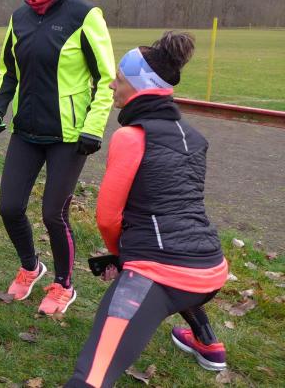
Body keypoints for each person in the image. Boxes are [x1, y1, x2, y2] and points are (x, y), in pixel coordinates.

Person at [66, 32, 228, 387]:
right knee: (176, 266)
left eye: (119, 80)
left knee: (91, 376)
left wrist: (122, 258)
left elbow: (107, 218)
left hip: (159, 274)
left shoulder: (130, 137)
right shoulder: (195, 138)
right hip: (211, 271)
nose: (112, 85)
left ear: (140, 88)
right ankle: (208, 343)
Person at [0, 0, 116, 315]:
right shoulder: (19, 18)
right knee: (10, 207)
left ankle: (63, 284)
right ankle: (31, 266)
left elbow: (106, 79)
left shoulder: (84, 16)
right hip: (26, 131)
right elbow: (9, 71)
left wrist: (94, 127)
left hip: (70, 137)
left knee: (52, 214)